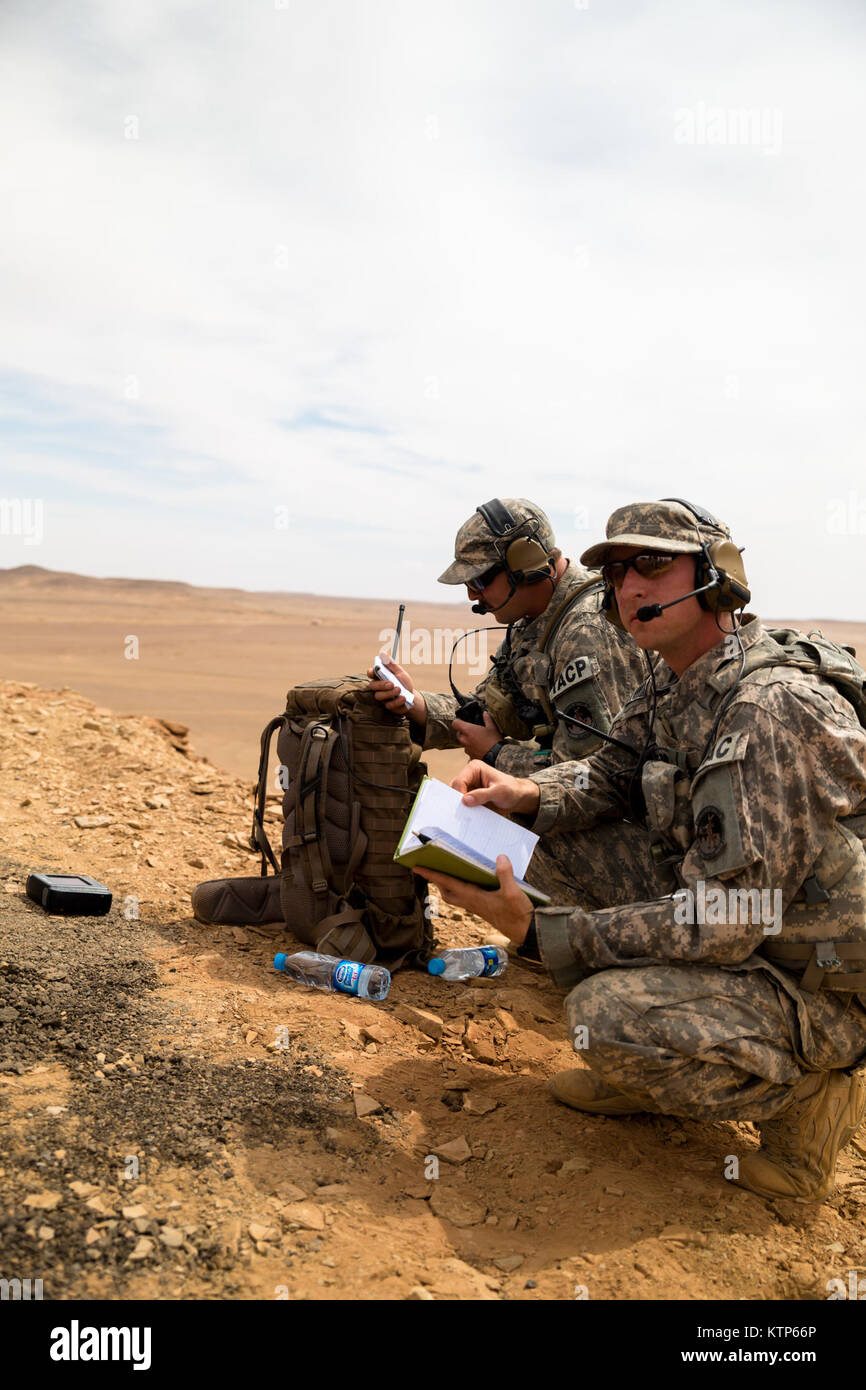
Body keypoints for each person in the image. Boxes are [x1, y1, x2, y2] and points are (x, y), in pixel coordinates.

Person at [414, 498, 866, 1202]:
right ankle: (654, 1070)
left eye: (653, 565)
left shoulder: (769, 709)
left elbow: (724, 920)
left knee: (603, 1015)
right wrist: (522, 793)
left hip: (819, 976)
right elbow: (607, 774)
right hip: (751, 921)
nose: (630, 586)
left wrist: (544, 935)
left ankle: (813, 1090)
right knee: (536, 846)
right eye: (619, 570)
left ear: (717, 575)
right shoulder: (673, 676)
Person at [368, 497, 654, 903]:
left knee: (489, 834)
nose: (472, 594)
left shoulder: (586, 633)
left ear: (525, 564)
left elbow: (601, 777)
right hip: (598, 808)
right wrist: (414, 702)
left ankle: (589, 936)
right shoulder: (532, 622)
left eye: (481, 579)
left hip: (643, 838)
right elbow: (485, 708)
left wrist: (499, 757)